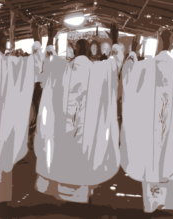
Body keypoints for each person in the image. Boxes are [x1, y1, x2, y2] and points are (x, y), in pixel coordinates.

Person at [34, 22, 121, 204]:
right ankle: (81, 195)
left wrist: (48, 36)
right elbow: (116, 61)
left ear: (74, 49)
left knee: (63, 156)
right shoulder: (98, 71)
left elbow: (47, 58)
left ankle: (62, 193)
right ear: (90, 52)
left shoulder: (61, 70)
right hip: (86, 136)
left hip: (62, 137)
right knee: (84, 157)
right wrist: (114, 37)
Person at [120, 30, 173, 212]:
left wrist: (133, 52)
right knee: (170, 160)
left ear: (157, 44)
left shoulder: (144, 68)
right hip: (172, 133)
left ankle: (151, 204)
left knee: (151, 162)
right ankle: (168, 204)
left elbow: (127, 75)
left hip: (149, 134)